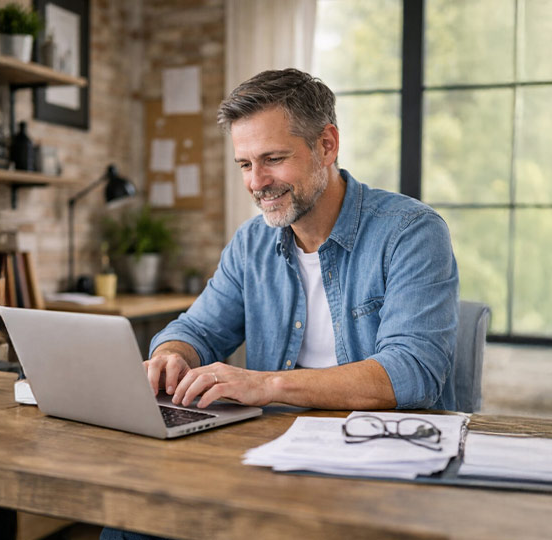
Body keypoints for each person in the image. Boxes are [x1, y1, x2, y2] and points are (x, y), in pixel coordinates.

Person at [145, 68, 460, 413]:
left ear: (326, 146)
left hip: (382, 449)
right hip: (271, 447)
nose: (257, 182)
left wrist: (265, 385)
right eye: (245, 165)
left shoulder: (411, 232)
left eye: (273, 159)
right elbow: (199, 330)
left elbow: (413, 371)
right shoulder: (251, 244)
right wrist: (171, 355)